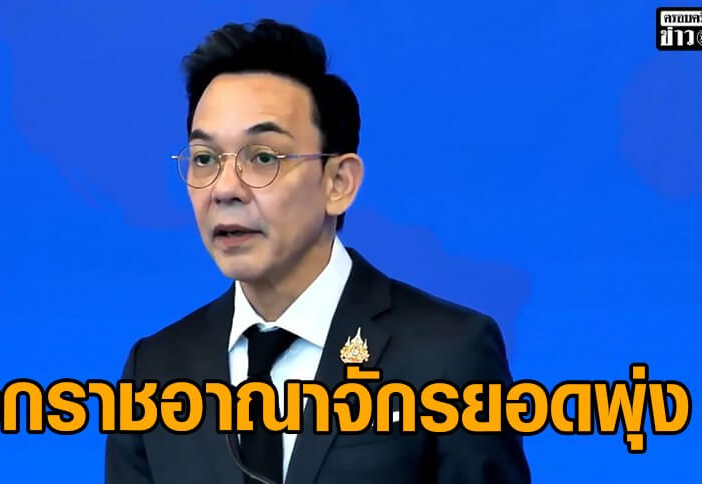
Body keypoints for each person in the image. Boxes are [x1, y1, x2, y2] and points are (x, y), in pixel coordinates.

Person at [105, 18, 530, 484]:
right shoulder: (156, 370)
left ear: (338, 183)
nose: (225, 189)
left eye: (262, 158)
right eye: (205, 159)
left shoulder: (448, 354)